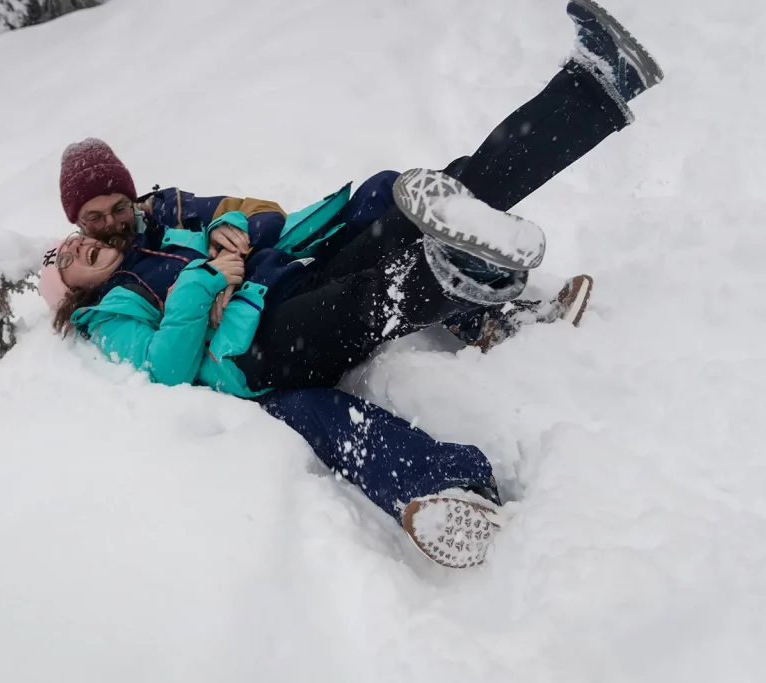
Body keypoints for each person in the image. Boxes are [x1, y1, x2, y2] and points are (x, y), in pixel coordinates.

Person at [38, 0, 663, 568]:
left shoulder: (168, 210)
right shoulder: (108, 310)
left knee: (418, 207)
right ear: (74, 239)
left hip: (284, 279)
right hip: (261, 345)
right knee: (366, 318)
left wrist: (230, 232)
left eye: (116, 206)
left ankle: (590, 92)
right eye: (92, 224)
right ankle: (470, 300)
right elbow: (167, 368)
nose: (111, 225)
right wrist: (204, 280)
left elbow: (260, 212)